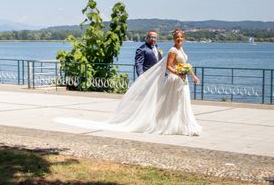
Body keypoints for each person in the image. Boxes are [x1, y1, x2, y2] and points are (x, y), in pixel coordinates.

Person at [55, 29, 202, 136]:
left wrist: (192, 75)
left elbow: (171, 64)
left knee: (169, 102)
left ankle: (173, 122)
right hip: (155, 78)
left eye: (155, 37)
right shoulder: (145, 48)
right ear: (147, 37)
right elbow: (142, 64)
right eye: (151, 37)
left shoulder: (163, 48)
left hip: (168, 79)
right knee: (151, 102)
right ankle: (151, 121)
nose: (153, 39)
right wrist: (142, 77)